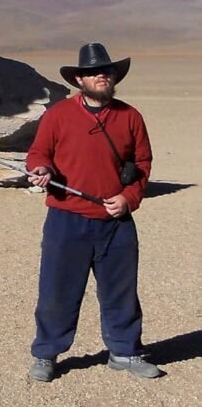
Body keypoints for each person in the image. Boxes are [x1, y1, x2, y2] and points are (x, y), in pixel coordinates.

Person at [26, 42, 162, 382]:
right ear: (79, 80)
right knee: (57, 291)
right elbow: (39, 153)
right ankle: (46, 354)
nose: (102, 75)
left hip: (116, 221)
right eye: (93, 72)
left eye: (106, 71)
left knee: (121, 292)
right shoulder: (59, 115)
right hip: (66, 219)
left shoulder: (130, 117)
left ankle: (124, 351)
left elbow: (142, 163)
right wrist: (42, 170)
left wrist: (129, 198)